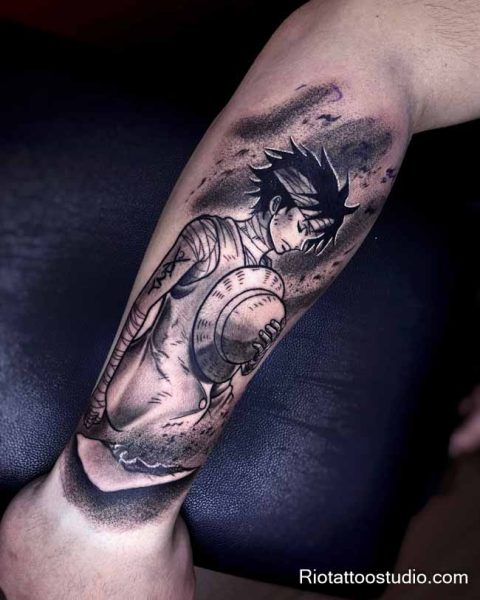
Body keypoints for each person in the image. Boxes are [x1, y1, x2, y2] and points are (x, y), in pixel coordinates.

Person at [1, 0, 480, 598]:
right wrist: (99, 523)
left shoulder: (269, 283)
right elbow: (378, 40)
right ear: (277, 206)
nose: (303, 241)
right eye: (302, 224)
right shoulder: (212, 239)